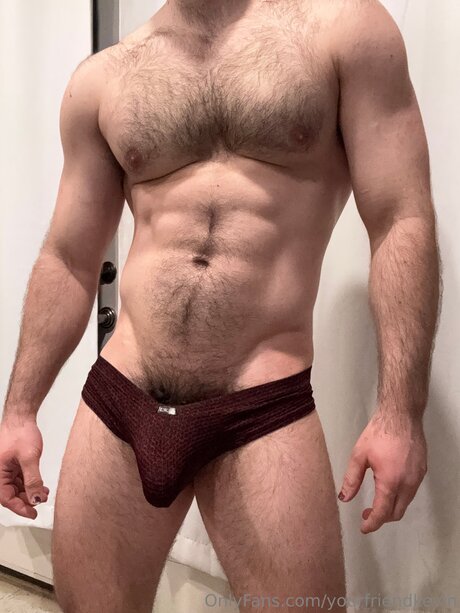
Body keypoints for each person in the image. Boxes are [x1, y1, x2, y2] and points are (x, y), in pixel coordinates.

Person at [0, 0, 441, 611]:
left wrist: (400, 413)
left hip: (261, 406)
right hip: (120, 398)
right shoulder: (103, 79)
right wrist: (20, 410)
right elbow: (68, 258)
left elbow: (400, 220)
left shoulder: (343, 30)